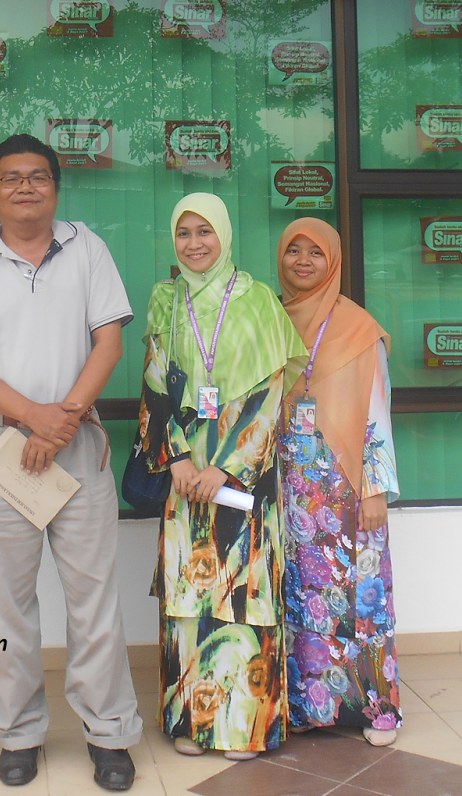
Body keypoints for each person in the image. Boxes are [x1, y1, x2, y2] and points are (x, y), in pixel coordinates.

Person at [0, 133, 141, 792]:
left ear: (56, 187)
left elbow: (108, 343)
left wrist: (62, 420)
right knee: (7, 604)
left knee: (93, 599)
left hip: (75, 444)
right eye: (11, 178)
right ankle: (19, 732)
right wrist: (32, 416)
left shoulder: (88, 249)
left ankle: (109, 732)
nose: (25, 186)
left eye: (38, 176)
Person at [137, 193, 305, 760]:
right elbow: (154, 383)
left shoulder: (257, 300)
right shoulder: (166, 299)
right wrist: (178, 459)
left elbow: (270, 395)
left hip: (242, 478)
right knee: (189, 596)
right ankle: (192, 722)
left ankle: (243, 727)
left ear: (224, 235)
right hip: (185, 475)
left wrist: (225, 466)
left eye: (204, 231)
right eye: (183, 233)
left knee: (243, 595)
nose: (194, 244)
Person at [275, 218, 401, 746]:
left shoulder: (358, 328)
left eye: (316, 253)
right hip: (289, 488)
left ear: (334, 261)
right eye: (294, 250)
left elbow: (377, 412)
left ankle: (376, 710)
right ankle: (309, 707)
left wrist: (375, 488)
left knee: (362, 598)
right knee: (303, 597)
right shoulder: (272, 321)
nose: (303, 261)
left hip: (347, 487)